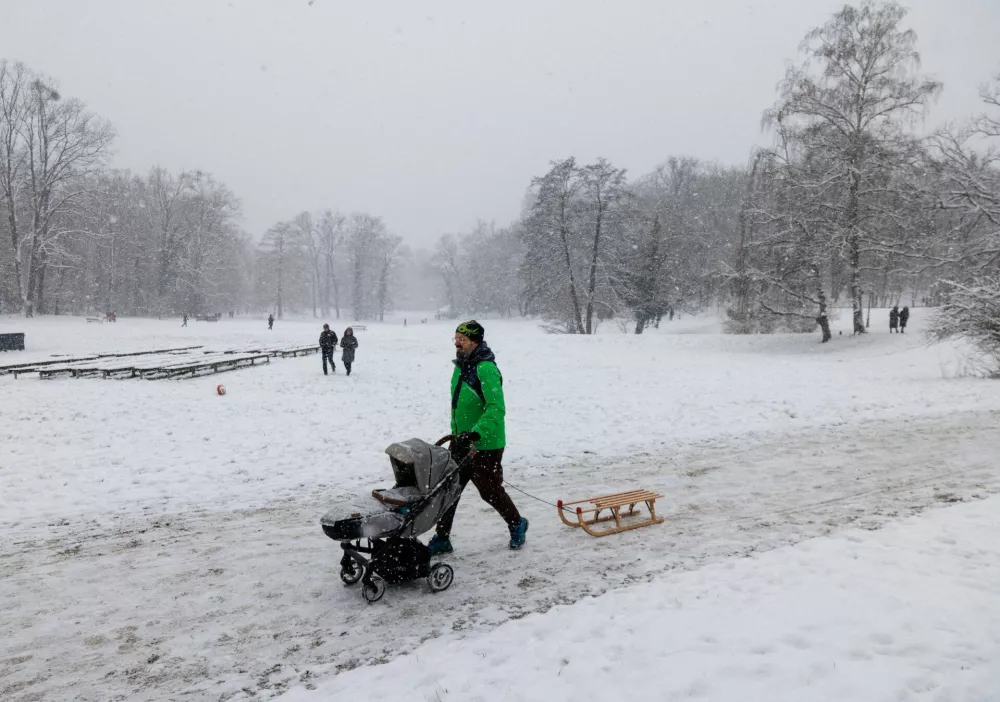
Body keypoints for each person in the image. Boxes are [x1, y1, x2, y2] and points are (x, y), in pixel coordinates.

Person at [428, 320, 528, 556]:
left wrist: (476, 431)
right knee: (450, 489)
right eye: (455, 338)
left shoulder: (486, 368)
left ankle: (517, 523)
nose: (456, 343)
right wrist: (459, 433)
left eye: (461, 339)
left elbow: (496, 408)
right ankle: (442, 537)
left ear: (475, 341)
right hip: (461, 440)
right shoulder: (461, 366)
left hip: (485, 443)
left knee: (490, 490)